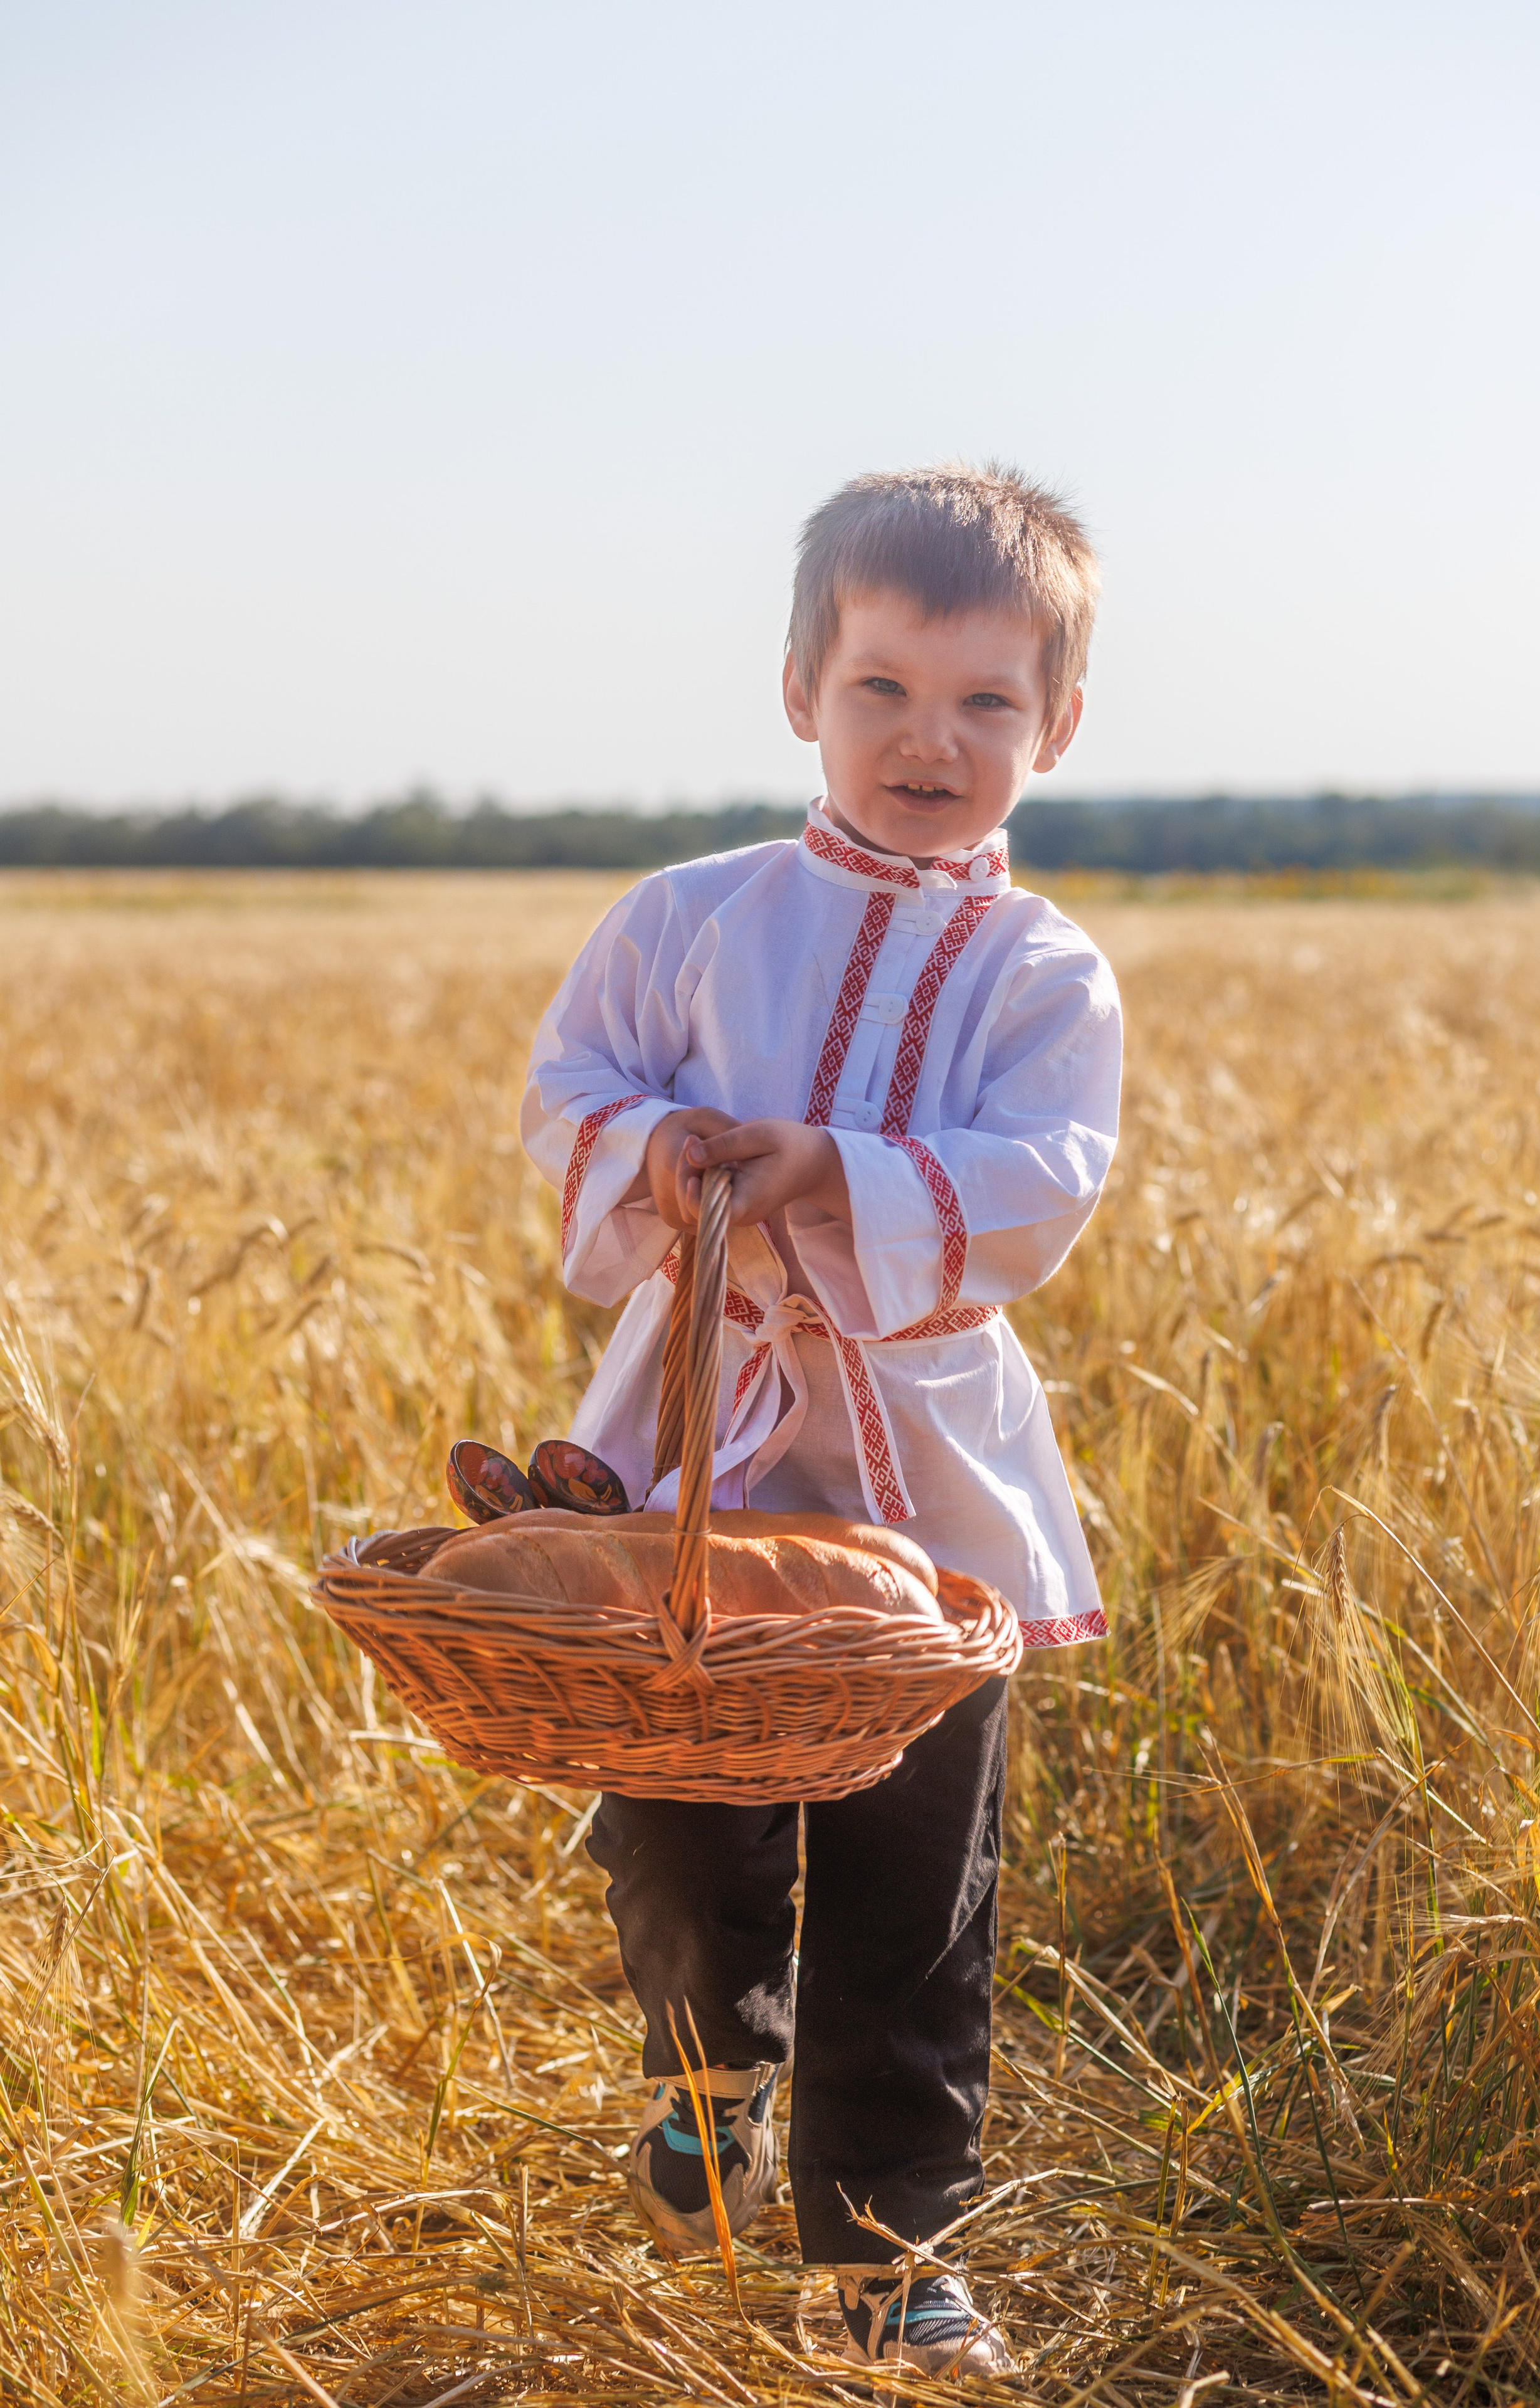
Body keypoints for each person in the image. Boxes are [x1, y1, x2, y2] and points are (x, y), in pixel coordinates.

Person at [521, 462, 1122, 2380]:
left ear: (1059, 725)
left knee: (915, 1878)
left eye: (986, 704)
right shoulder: (688, 919)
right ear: (802, 688)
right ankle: (707, 2073)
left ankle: (886, 2249)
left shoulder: (1043, 973)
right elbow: (568, 1099)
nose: (930, 741)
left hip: (927, 1491)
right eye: (882, 689)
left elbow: (1037, 1184)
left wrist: (830, 1173)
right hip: (706, 1459)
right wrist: (658, 1150)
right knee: (679, 1824)